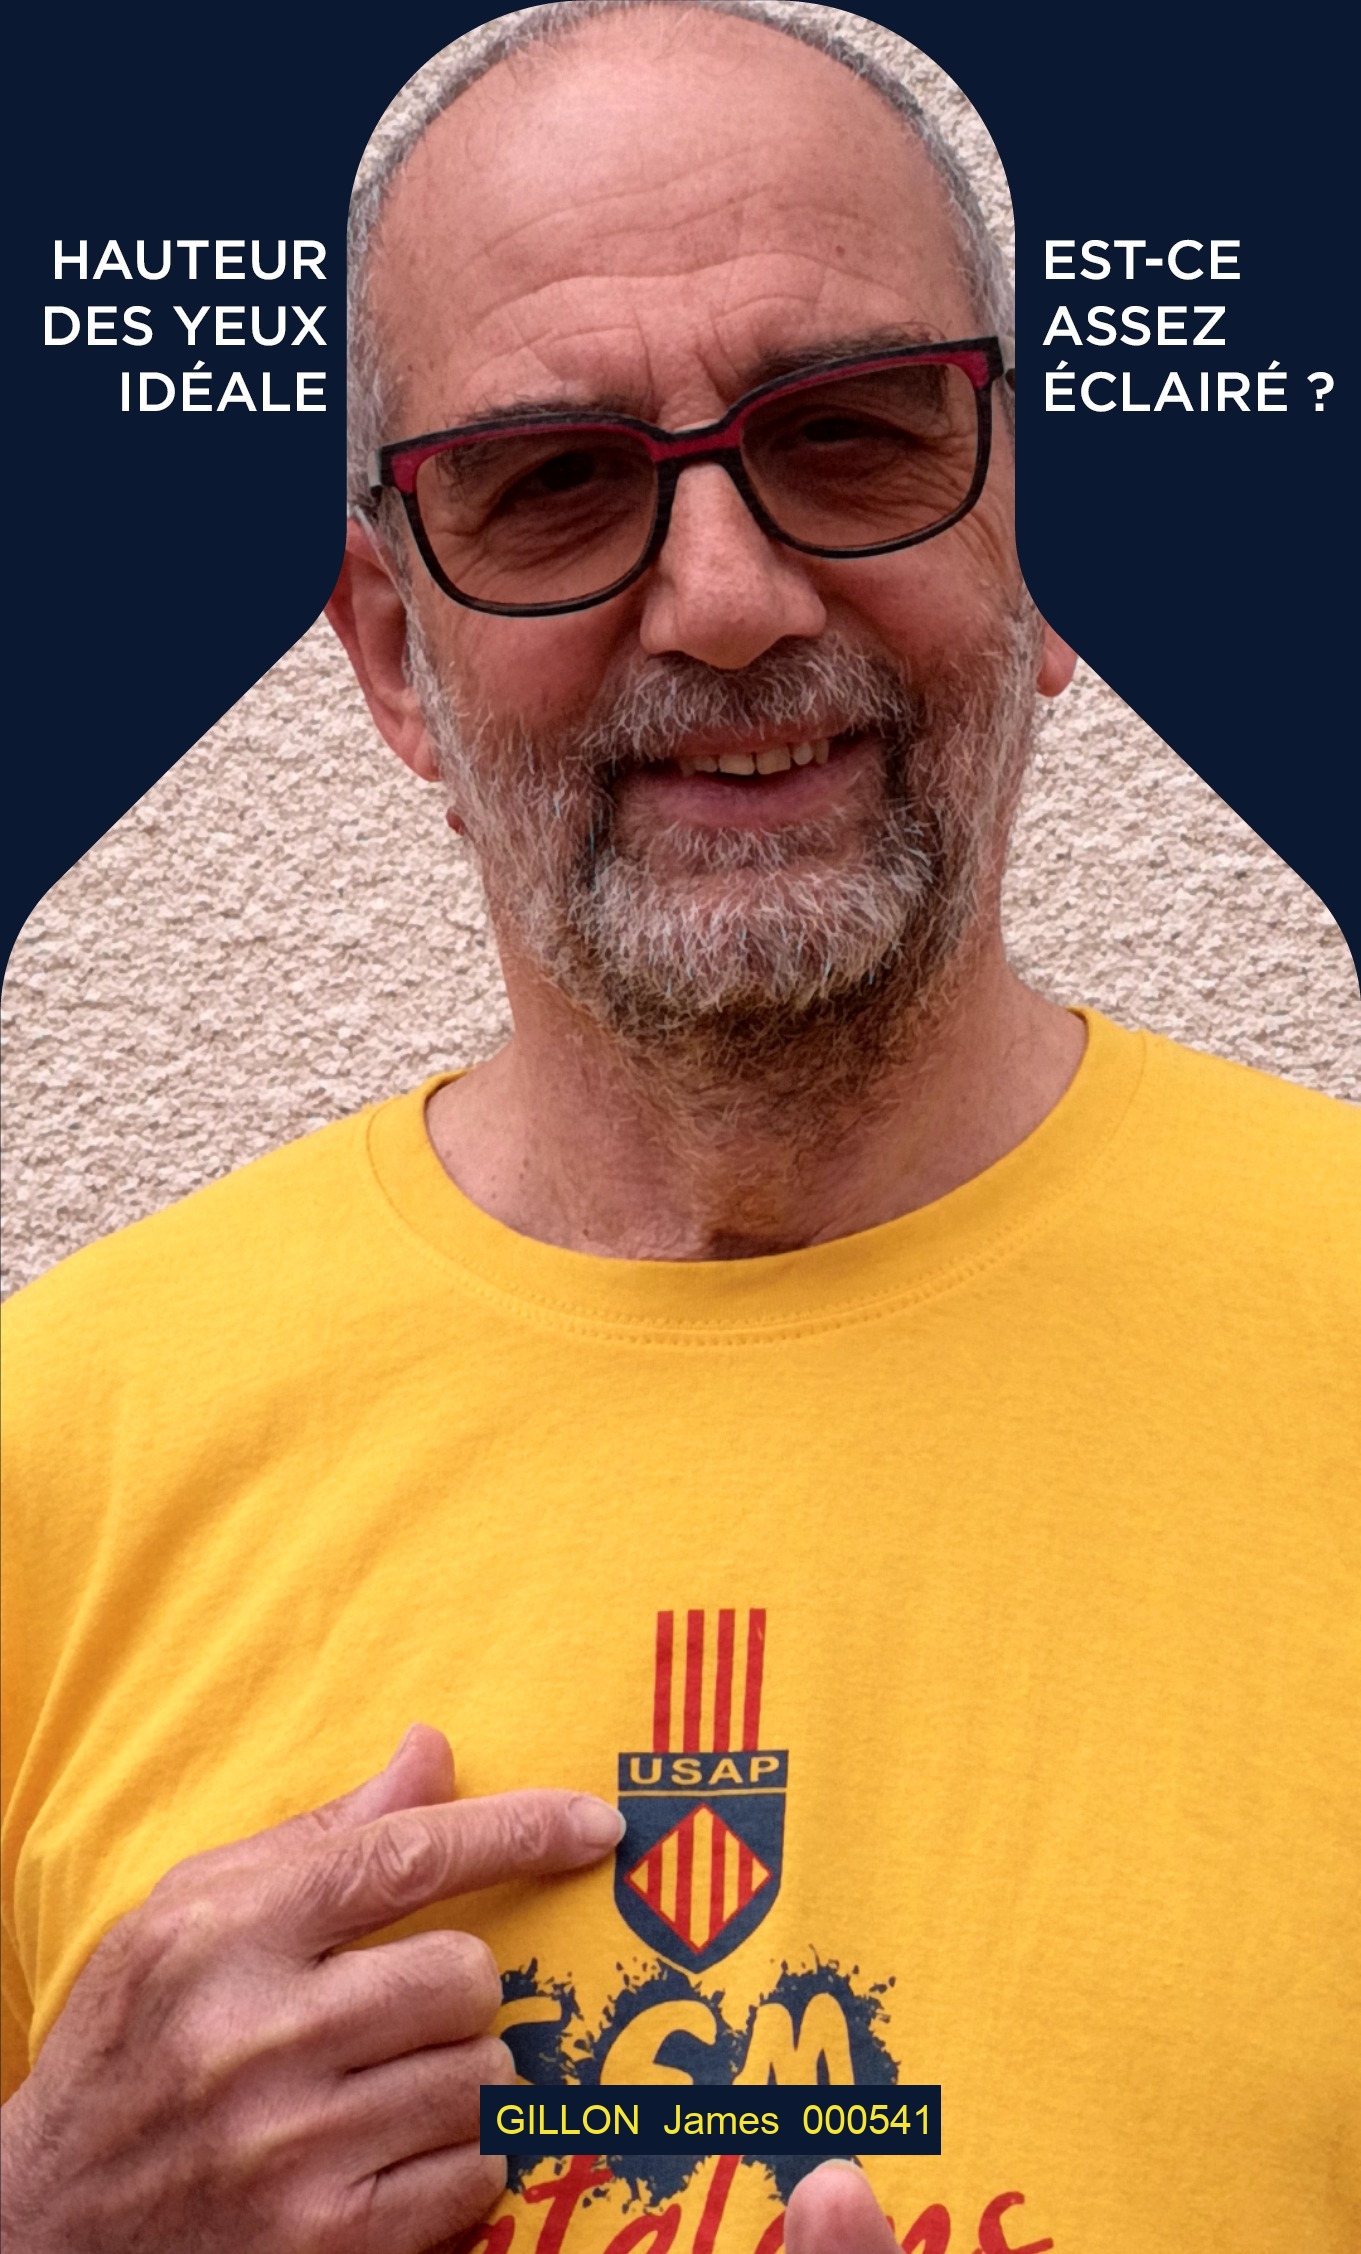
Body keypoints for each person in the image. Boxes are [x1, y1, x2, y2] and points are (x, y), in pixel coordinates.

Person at [2, 4, 1357, 2251]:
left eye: (850, 434)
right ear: (392, 658)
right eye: (549, 479)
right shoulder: (49, 1454)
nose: (725, 600)